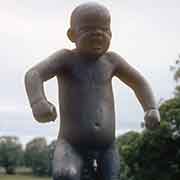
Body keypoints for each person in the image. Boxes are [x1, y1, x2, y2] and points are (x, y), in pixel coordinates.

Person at [25, 2, 160, 180]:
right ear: (72, 34)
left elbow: (139, 82)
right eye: (89, 29)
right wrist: (38, 102)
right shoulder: (66, 59)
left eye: (104, 29)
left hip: (107, 148)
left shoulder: (112, 61)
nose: (98, 33)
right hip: (71, 145)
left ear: (111, 33)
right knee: (66, 175)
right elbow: (34, 74)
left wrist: (150, 108)